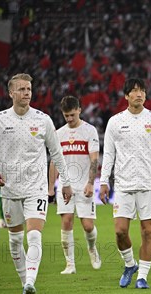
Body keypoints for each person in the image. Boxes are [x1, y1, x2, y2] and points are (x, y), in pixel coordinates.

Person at [0, 73, 73, 294]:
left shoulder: (42, 120)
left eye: (29, 89)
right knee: (15, 240)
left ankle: (31, 282)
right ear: (11, 93)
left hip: (36, 188)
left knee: (34, 236)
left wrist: (66, 181)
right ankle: (25, 284)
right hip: (10, 188)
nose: (27, 93)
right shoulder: (0, 119)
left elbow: (57, 153)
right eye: (22, 89)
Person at [99, 78, 151, 289]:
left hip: (150, 184)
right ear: (126, 96)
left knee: (147, 231)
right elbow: (109, 156)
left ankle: (142, 276)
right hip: (123, 185)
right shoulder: (115, 122)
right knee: (120, 231)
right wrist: (104, 182)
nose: (139, 94)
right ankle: (129, 264)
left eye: (141, 91)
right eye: (134, 91)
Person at [48, 96, 101, 274]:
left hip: (84, 184)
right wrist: (50, 188)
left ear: (79, 109)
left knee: (87, 225)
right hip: (65, 185)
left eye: (72, 115)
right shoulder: (58, 134)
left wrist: (91, 183)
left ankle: (92, 248)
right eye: (66, 116)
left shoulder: (89, 130)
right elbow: (54, 162)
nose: (69, 119)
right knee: (67, 221)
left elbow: (94, 159)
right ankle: (70, 264)